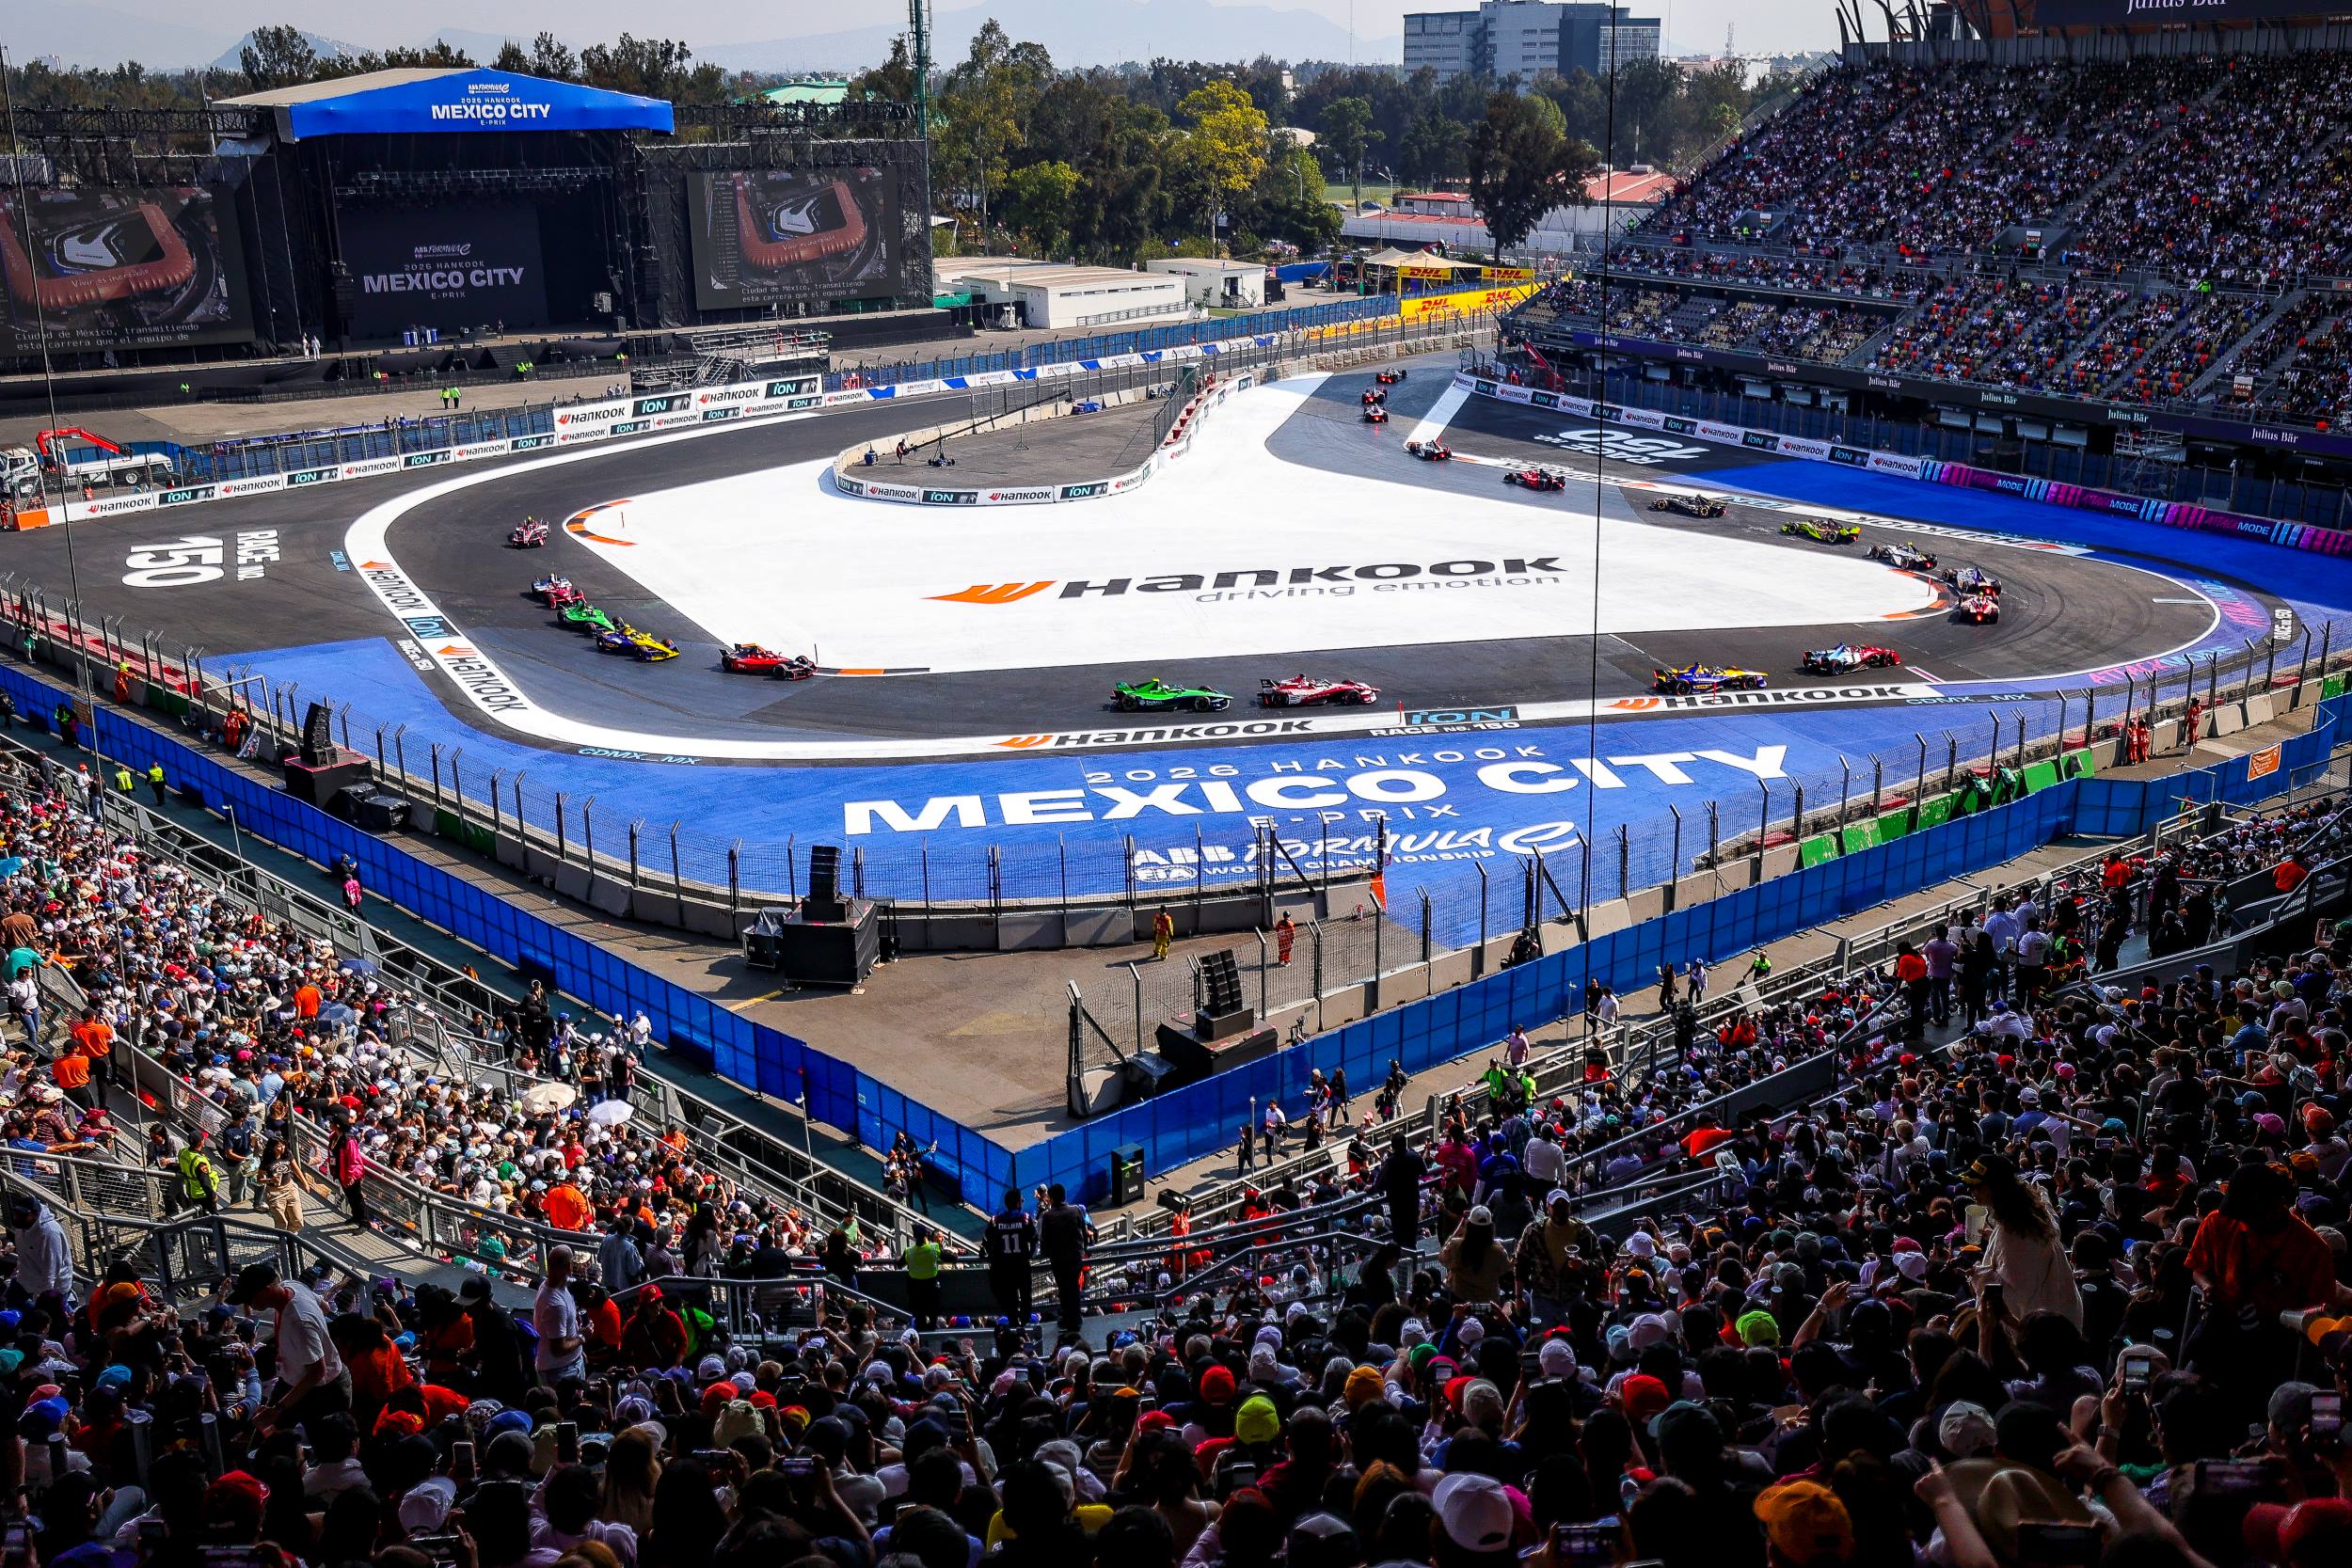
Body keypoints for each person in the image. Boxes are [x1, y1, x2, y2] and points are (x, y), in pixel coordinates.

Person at [225, 1260, 349, 1431]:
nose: (247, 1304)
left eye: (249, 1298)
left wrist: (278, 1409)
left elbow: (317, 1372)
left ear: (266, 1291)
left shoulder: (300, 1321)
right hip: (292, 1379)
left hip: (323, 1390)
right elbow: (325, 1307)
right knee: (265, 1427)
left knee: (320, 1442)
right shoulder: (292, 1286)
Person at [1040, 1182, 1093, 1338]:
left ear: (1052, 1199)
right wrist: (1083, 1250)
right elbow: (1084, 1233)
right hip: (1075, 1257)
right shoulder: (1076, 1210)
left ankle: (1067, 1319)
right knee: (1074, 1289)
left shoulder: (1047, 1216)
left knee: (1064, 1289)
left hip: (1058, 1260)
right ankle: (1075, 1321)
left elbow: (1044, 1241)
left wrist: (1046, 1254)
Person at [533, 1243, 586, 1385]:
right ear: (569, 1266)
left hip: (568, 1364)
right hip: (561, 1372)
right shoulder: (555, 1305)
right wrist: (582, 1338)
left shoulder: (551, 1286)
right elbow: (558, 1349)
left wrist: (578, 1349)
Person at [985, 1186, 1039, 1323]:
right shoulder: (1025, 1219)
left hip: (1004, 1267)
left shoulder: (996, 1220)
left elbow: (987, 1238)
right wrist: (1030, 1255)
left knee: (1010, 1299)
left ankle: (1014, 1325)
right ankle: (1024, 1324)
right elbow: (1034, 1239)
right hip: (1021, 1266)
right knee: (1026, 1297)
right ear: (1018, 1203)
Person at [903, 1225, 946, 1328]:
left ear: (914, 1236)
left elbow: (900, 1264)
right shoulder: (934, 1248)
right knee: (933, 1319)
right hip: (931, 1289)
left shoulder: (909, 1251)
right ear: (926, 1235)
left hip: (916, 1291)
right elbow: (950, 1258)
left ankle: (921, 1340)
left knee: (920, 1319)